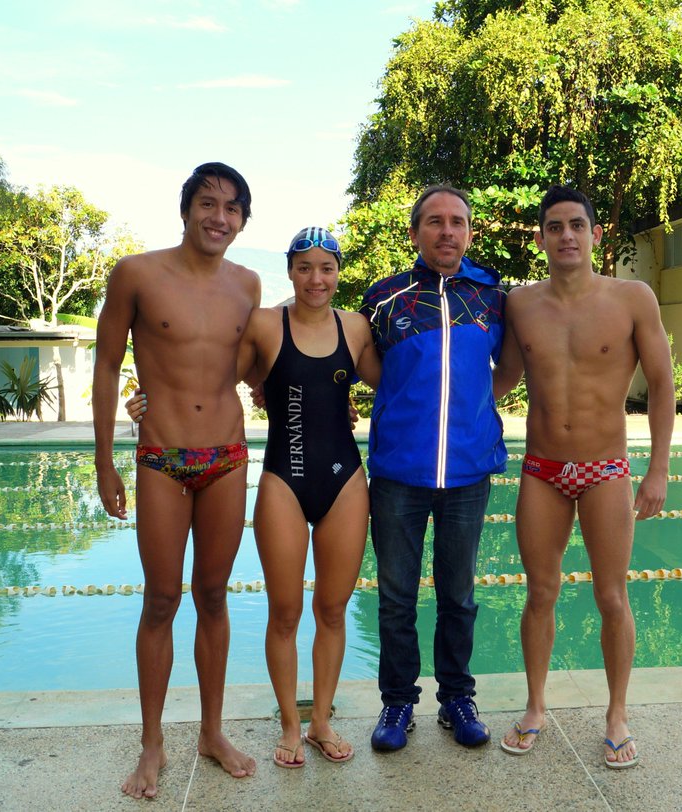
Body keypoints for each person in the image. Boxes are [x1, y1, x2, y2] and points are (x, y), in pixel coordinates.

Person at [126, 227, 381, 769]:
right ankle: (291, 725)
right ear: (289, 271)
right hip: (283, 480)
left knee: (332, 608)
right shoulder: (266, 323)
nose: (317, 278)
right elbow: (211, 377)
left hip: (345, 479)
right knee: (284, 612)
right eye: (305, 267)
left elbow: (393, 384)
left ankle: (321, 722)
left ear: (339, 272)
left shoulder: (356, 327)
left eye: (327, 268)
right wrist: (146, 398)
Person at [93, 162, 261, 799]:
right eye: (208, 203)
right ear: (185, 208)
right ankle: (153, 742)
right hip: (161, 458)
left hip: (226, 457)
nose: (219, 217)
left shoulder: (248, 283)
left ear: (243, 221)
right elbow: (109, 365)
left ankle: (213, 733)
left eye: (233, 208)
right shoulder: (137, 273)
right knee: (162, 599)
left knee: (214, 597)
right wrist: (105, 459)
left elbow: (259, 368)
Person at [492, 185, 674, 769]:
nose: (566, 235)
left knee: (610, 594)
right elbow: (502, 378)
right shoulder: (520, 304)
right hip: (542, 468)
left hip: (605, 468)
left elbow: (663, 384)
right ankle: (535, 706)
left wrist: (658, 471)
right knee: (540, 592)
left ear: (596, 234)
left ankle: (617, 714)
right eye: (554, 226)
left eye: (577, 225)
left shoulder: (632, 298)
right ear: (541, 237)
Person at [360, 185, 508, 751]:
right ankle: (397, 703)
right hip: (400, 471)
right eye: (435, 222)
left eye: (458, 222)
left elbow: (508, 370)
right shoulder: (384, 298)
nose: (448, 231)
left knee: (459, 594)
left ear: (469, 231)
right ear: (416, 231)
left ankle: (456, 699)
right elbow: (367, 366)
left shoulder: (491, 295)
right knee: (396, 596)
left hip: (468, 472)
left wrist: (472, 408)